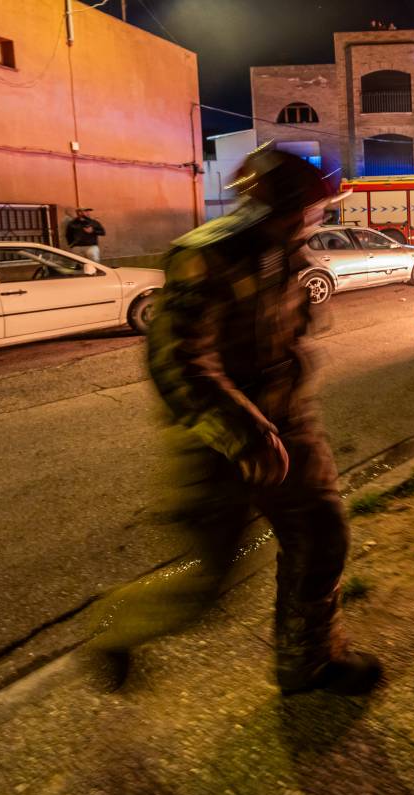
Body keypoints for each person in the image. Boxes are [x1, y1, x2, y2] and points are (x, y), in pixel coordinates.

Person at [85, 148, 381, 696]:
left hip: (288, 426)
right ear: (284, 206)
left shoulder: (286, 250)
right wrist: (244, 434)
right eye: (311, 208)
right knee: (208, 581)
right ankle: (114, 624)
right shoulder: (205, 256)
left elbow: (286, 336)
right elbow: (178, 360)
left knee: (322, 537)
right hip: (219, 441)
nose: (317, 217)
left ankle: (309, 661)